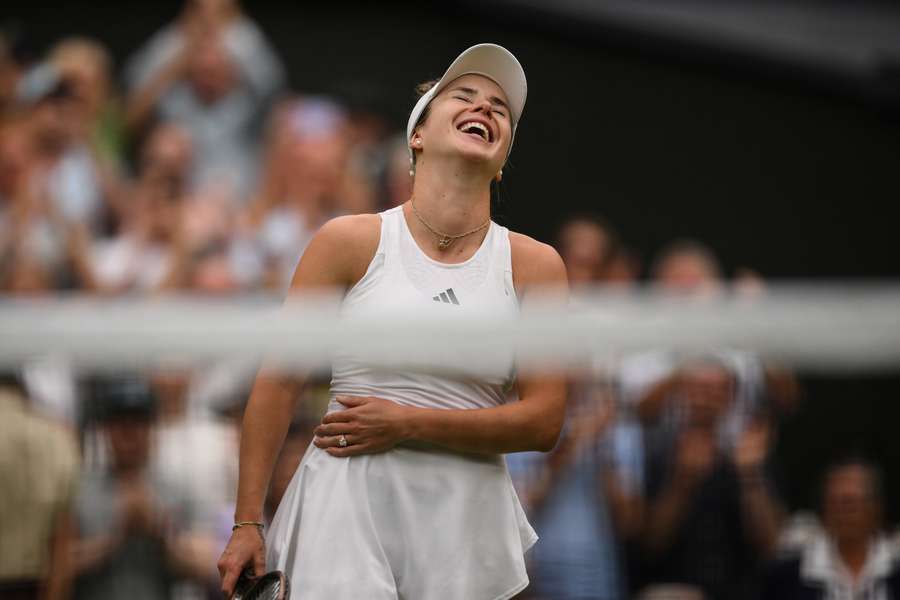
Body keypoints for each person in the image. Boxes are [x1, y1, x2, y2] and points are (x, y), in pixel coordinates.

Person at [217, 43, 568, 599]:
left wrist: (408, 422)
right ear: (417, 136)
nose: (486, 108)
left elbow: (545, 421)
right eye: (465, 96)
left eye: (500, 108)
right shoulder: (347, 241)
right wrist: (246, 521)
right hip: (344, 503)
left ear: (503, 159)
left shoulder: (536, 265)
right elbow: (279, 380)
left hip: (462, 519)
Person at [762, 458, 900, 600]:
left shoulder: (894, 567)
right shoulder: (790, 575)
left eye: (849, 503)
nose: (840, 513)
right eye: (833, 503)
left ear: (875, 507)